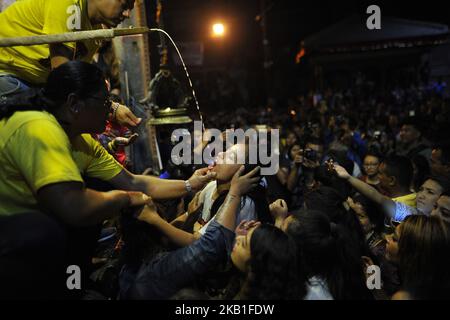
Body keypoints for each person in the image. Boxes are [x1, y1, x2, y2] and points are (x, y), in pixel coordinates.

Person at [0, 61, 215, 298]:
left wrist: (191, 184)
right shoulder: (39, 128)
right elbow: (75, 207)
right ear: (74, 103)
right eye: (104, 104)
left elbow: (134, 182)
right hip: (13, 231)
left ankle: (73, 284)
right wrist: (123, 199)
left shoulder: (83, 143)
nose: (110, 112)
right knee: (48, 229)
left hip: (31, 227)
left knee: (96, 195)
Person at [119, 166, 261, 300]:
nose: (219, 154)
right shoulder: (211, 187)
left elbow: (196, 232)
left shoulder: (242, 205)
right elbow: (200, 231)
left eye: (230, 155)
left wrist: (157, 220)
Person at [0, 0, 140, 127]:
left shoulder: (94, 34)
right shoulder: (66, 3)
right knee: (46, 128)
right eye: (125, 4)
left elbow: (75, 83)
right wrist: (109, 107)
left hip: (35, 86)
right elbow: (63, 81)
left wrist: (108, 108)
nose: (127, 14)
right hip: (7, 73)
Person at [333, 162, 448, 224]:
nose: (421, 195)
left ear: (442, 198)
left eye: (430, 192)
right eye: (421, 189)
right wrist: (348, 177)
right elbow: (379, 198)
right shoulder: (413, 215)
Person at [385, 215, 450, 299]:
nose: (387, 238)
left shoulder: (403, 297)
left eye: (394, 239)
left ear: (413, 256)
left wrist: (375, 288)